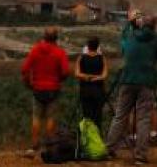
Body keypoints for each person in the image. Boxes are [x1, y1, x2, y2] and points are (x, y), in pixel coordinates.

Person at [105, 10, 157, 165]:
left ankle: (109, 148)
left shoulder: (130, 37)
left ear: (140, 24)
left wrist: (130, 23)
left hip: (128, 79)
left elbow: (123, 43)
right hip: (147, 81)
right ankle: (140, 155)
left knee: (120, 116)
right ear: (154, 27)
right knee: (144, 119)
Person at [21, 25, 71, 156]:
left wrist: (29, 83)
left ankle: (34, 146)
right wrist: (59, 80)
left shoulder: (35, 50)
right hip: (53, 89)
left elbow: (24, 69)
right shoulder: (60, 52)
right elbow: (66, 71)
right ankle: (49, 146)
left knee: (36, 118)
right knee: (50, 118)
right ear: (56, 38)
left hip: (37, 88)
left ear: (44, 37)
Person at [76, 36, 109, 129]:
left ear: (88, 46)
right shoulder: (101, 58)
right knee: (98, 116)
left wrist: (87, 76)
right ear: (98, 46)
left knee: (87, 116)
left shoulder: (81, 58)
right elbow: (105, 74)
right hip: (98, 89)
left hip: (85, 89)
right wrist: (97, 77)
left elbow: (77, 73)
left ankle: (88, 137)